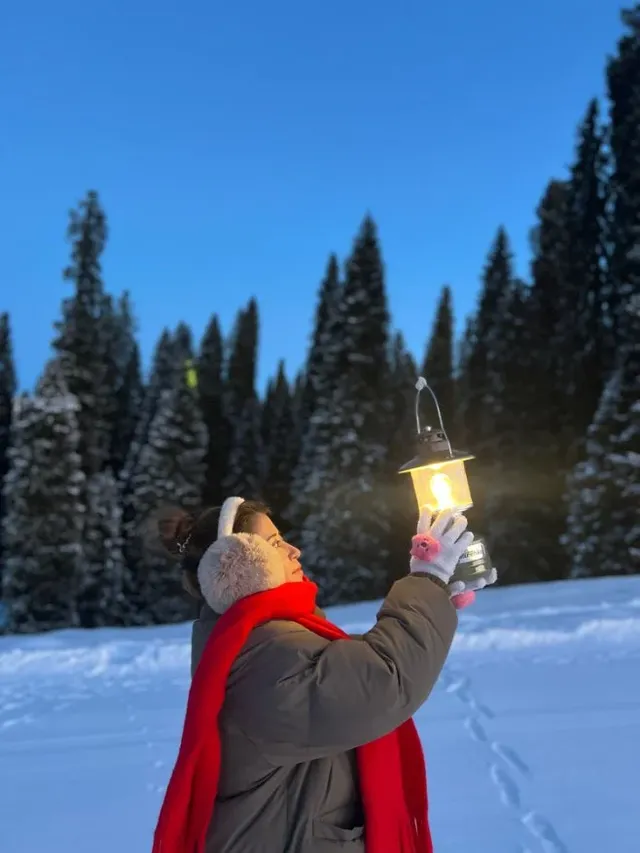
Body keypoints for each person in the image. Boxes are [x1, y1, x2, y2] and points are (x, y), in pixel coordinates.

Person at [152, 497, 496, 853]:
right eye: (274, 544)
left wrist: (436, 595)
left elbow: (350, 669)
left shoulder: (256, 644)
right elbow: (381, 679)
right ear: (237, 565)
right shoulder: (262, 659)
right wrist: (428, 582)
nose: (294, 551)